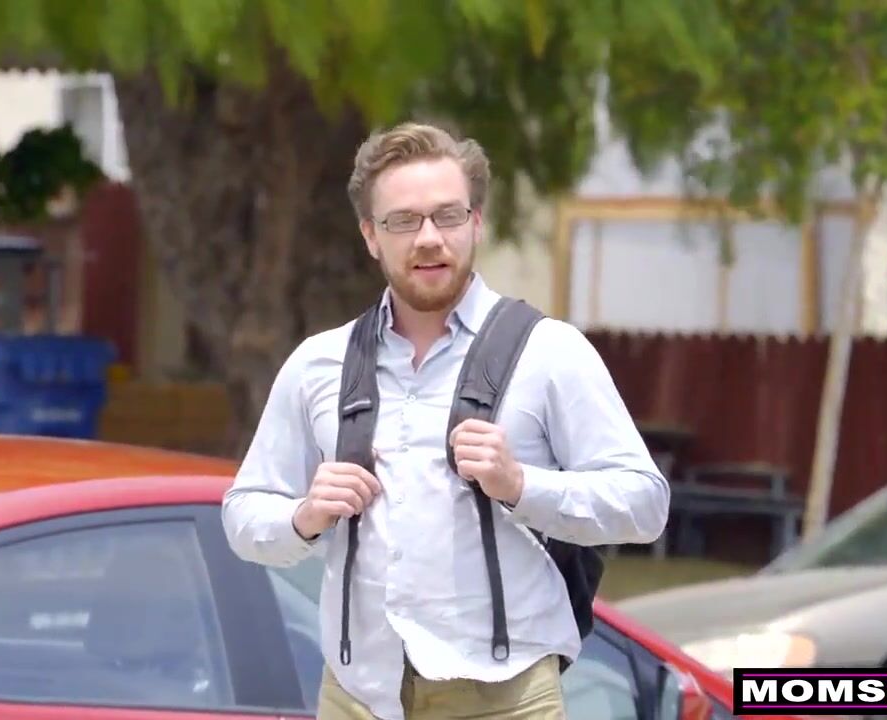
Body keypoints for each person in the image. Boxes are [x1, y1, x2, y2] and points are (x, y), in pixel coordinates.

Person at [221, 121, 670, 720]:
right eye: (403, 221)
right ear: (370, 236)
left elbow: (644, 505)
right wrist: (303, 517)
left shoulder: (550, 352)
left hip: (504, 698)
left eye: (447, 216)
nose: (429, 238)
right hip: (358, 697)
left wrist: (522, 485)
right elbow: (243, 515)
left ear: (476, 223)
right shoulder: (318, 364)